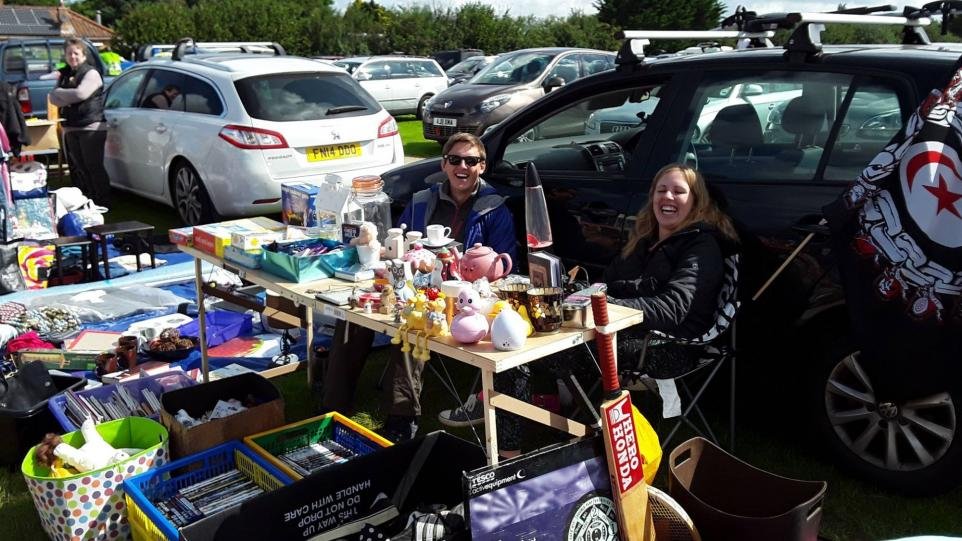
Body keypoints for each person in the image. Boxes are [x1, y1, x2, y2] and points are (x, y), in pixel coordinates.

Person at [438, 163, 738, 454]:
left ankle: (513, 446)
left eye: (678, 192)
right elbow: (606, 283)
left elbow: (672, 310)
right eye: (661, 190)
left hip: (666, 346)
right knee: (524, 329)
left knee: (520, 348)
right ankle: (531, 415)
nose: (667, 197)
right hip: (621, 330)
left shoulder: (701, 247)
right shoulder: (645, 240)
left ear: (696, 202)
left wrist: (604, 306)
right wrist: (581, 297)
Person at [321, 132, 518, 443]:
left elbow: (504, 269)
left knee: (413, 328)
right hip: (412, 283)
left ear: (482, 166)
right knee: (354, 314)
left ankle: (401, 420)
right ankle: (332, 408)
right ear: (444, 164)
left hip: (463, 298)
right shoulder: (422, 200)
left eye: (470, 161)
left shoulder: (494, 208)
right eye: (455, 160)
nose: (461, 167)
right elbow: (396, 245)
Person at [48, 38, 111, 206]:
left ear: (83, 55)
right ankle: (88, 199)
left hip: (91, 126)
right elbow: (53, 99)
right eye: (69, 53)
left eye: (76, 53)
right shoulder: (65, 73)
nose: (72, 56)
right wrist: (67, 95)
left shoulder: (91, 73)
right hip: (71, 126)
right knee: (79, 167)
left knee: (93, 165)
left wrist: (62, 92)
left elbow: (81, 94)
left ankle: (103, 200)